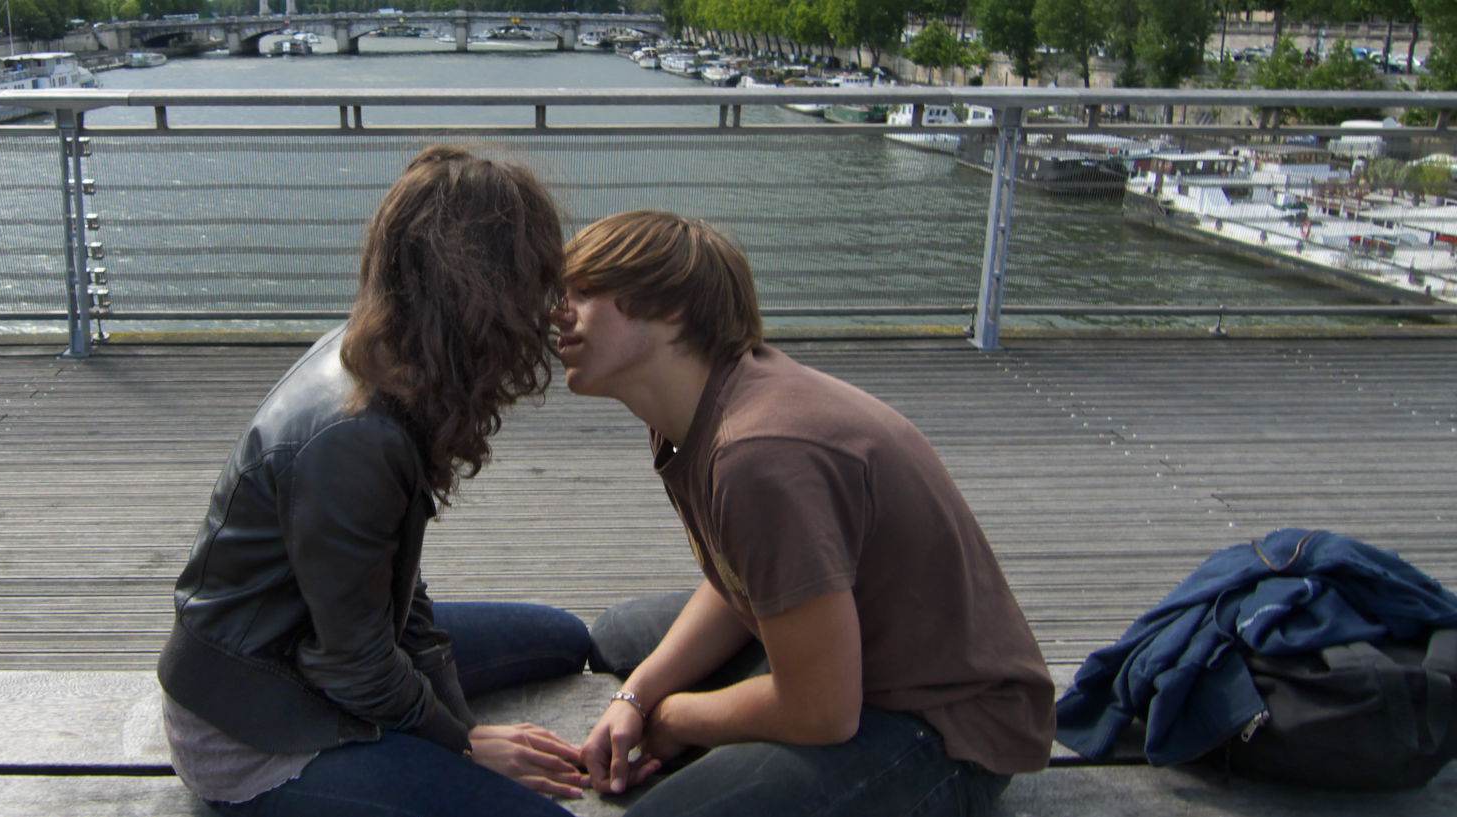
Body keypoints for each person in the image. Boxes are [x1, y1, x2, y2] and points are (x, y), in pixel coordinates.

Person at [552, 210, 1055, 817]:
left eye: (585, 292)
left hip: (945, 725)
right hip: (856, 659)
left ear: (671, 309)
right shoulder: (693, 415)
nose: (559, 311)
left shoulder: (758, 455)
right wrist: (635, 699)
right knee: (620, 641)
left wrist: (676, 717)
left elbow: (822, 709)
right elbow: (742, 580)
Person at [157, 147, 592, 817]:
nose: (549, 302)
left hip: (314, 648)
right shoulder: (356, 439)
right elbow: (353, 666)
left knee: (561, 638)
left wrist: (449, 708)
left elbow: (394, 585)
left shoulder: (376, 352)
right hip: (254, 728)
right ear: (484, 290)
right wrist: (465, 743)